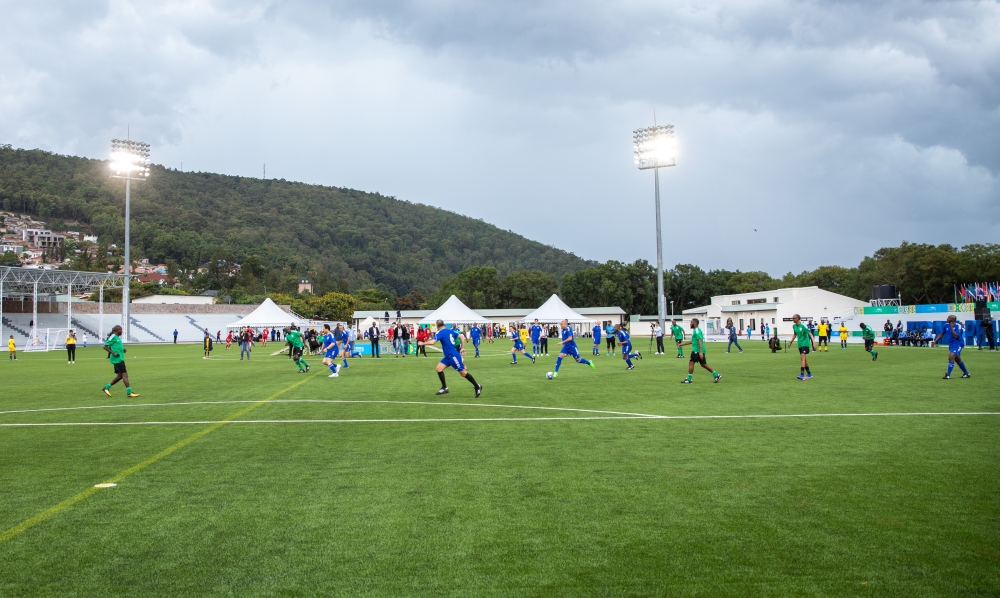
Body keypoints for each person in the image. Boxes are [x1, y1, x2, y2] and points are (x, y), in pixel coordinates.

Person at [418, 320, 482, 397]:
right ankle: (444, 387)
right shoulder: (450, 331)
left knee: (463, 373)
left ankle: (477, 386)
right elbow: (461, 336)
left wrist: (422, 343)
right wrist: (462, 348)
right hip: (448, 356)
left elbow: (432, 342)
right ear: (444, 324)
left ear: (437, 326)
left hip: (453, 356)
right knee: (438, 369)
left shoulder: (440, 332)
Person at [678, 318, 721, 383]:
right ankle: (716, 375)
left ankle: (689, 379)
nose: (690, 324)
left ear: (695, 323)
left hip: (697, 350)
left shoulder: (697, 330)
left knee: (691, 363)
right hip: (699, 350)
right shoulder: (696, 330)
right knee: (703, 364)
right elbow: (693, 341)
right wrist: (683, 344)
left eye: (691, 322)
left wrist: (700, 352)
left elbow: (700, 340)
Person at [102, 325, 138, 397]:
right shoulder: (113, 337)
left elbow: (115, 347)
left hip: (119, 359)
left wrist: (122, 350)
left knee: (120, 376)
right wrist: (113, 353)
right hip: (117, 360)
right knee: (125, 375)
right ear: (116, 330)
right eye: (121, 330)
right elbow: (105, 346)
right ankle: (129, 392)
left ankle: (106, 388)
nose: (122, 331)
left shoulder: (117, 338)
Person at [934, 315, 970, 379]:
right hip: (951, 344)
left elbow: (956, 336)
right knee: (957, 359)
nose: (947, 318)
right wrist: (935, 341)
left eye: (949, 318)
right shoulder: (945, 325)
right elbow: (942, 334)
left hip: (958, 344)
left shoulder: (958, 326)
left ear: (953, 320)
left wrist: (951, 327)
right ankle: (966, 373)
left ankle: (948, 375)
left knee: (951, 356)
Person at [785, 314, 816, 380]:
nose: (793, 319)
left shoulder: (803, 326)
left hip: (805, 343)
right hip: (800, 344)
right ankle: (809, 373)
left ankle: (801, 374)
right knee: (803, 359)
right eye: (792, 318)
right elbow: (795, 334)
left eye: (794, 318)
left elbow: (810, 334)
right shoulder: (794, 326)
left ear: (798, 318)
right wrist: (790, 342)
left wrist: (814, 343)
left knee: (802, 357)